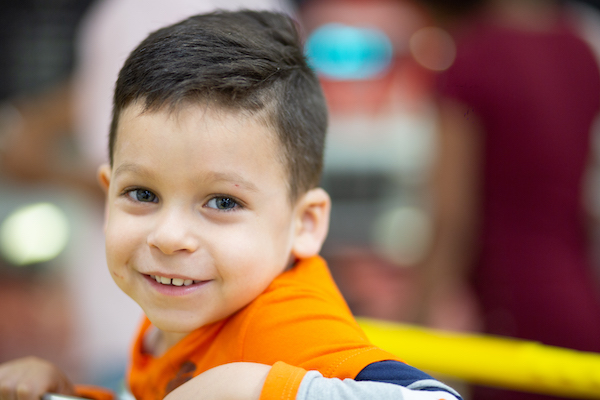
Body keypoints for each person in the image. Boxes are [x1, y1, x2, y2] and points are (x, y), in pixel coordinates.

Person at [0, 10, 462, 400]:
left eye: (222, 201)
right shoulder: (183, 307)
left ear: (305, 223)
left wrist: (256, 386)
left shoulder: (281, 319)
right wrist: (67, 392)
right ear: (107, 192)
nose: (168, 235)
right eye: (142, 194)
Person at [417, 0, 600, 398]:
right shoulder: (579, 49)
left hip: (514, 313)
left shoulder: (474, 58)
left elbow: (453, 217)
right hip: (581, 298)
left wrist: (409, 319)